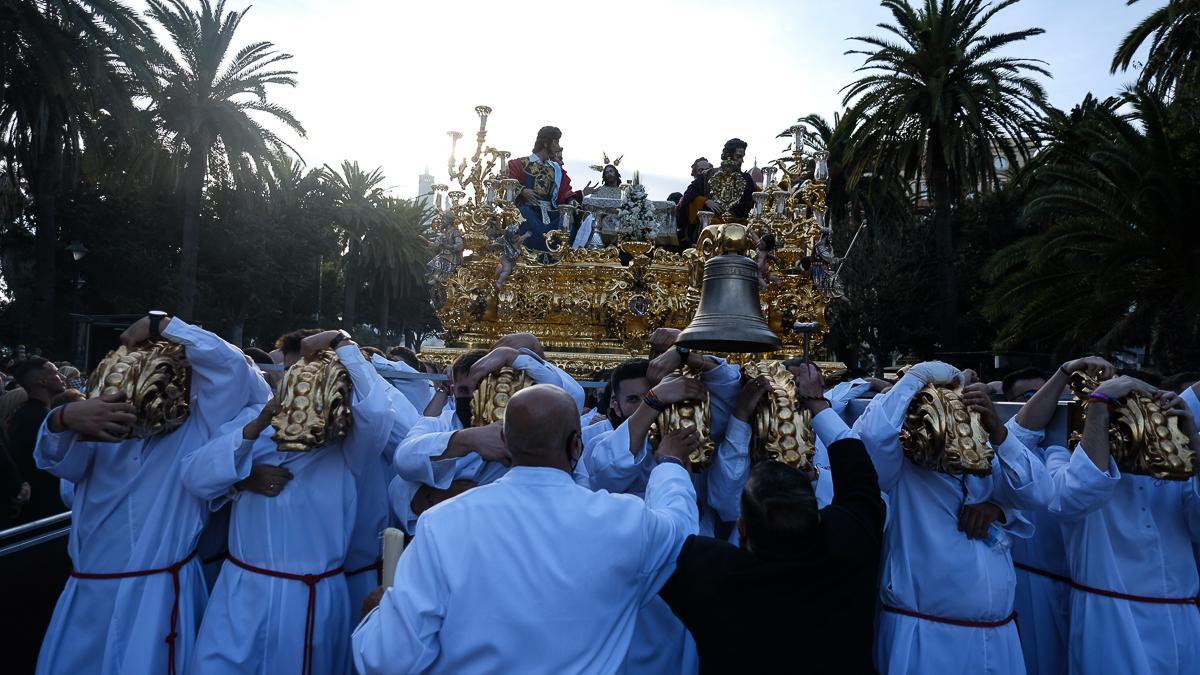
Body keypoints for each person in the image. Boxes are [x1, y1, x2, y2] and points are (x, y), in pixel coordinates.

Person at [352, 384, 700, 674]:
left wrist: (376, 620)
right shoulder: (624, 522)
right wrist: (670, 464)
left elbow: (390, 659)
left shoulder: (442, 523)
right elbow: (681, 530)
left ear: (503, 438)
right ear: (576, 445)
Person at [33, 313, 271, 675]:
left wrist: (164, 325)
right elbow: (59, 465)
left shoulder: (199, 426)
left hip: (158, 601)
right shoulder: (96, 425)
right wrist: (62, 418)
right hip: (88, 599)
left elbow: (236, 370)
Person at [661, 364, 885, 674]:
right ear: (818, 515)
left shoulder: (712, 575)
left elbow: (669, 537)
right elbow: (862, 484)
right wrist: (817, 403)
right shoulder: (849, 550)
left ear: (742, 527)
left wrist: (674, 464)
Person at [854, 360, 1052, 674]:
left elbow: (1040, 493)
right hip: (927, 636)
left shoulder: (983, 450)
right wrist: (917, 377)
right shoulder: (896, 468)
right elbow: (873, 435)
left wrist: (998, 432)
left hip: (999, 635)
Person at [1043, 375, 1200, 675]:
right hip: (1112, 618)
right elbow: (1071, 498)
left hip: (1182, 618)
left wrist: (1193, 440)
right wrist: (1100, 404)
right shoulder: (1063, 458)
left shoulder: (1174, 465)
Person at [1004, 356, 1112, 675]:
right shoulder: (1015, 451)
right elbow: (1023, 430)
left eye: (1066, 397)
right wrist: (1065, 371)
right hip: (1035, 581)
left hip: (1093, 589)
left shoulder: (1095, 444)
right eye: (1028, 396)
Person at [507, 126, 592, 251]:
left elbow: (565, 191)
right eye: (556, 142)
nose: (558, 147)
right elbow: (509, 183)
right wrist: (523, 190)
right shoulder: (519, 164)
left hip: (550, 213)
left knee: (567, 220)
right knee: (526, 219)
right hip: (528, 210)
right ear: (546, 143)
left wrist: (573, 202)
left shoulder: (556, 169)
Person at [7, 357, 67, 522]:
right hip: (44, 511)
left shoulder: (25, 414)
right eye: (55, 373)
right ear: (42, 381)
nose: (62, 377)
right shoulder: (43, 420)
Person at [677, 139, 755, 244]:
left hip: (736, 225)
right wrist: (705, 201)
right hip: (711, 224)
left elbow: (750, 203)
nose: (741, 161)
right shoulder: (708, 175)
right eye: (738, 156)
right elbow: (688, 196)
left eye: (742, 157)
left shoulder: (746, 179)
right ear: (728, 155)